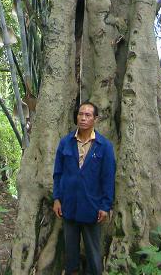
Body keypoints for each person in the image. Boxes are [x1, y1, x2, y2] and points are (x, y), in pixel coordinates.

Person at [53, 102, 116, 275]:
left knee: (94, 253)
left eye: (88, 115)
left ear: (95, 119)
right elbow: (57, 173)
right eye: (81, 114)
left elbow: (108, 178)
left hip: (92, 208)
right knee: (70, 252)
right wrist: (57, 198)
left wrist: (105, 205)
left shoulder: (104, 146)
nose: (83, 118)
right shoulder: (66, 142)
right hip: (69, 207)